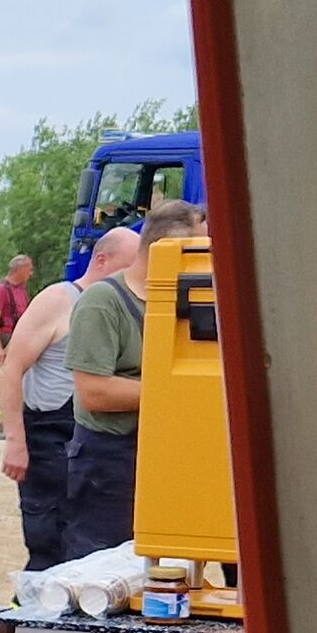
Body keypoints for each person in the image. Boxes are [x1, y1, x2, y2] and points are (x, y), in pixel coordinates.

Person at [60, 201, 200, 559]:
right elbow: (95, 392)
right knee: (100, 571)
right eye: (198, 249)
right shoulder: (103, 302)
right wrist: (177, 391)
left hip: (165, 455)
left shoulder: (185, 302)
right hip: (107, 464)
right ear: (167, 250)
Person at [0, 253, 84, 573]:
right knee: (48, 538)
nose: (31, 272)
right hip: (46, 424)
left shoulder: (27, 292)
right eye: (28, 268)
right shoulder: (9, 291)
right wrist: (15, 439)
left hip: (75, 430)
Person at [0, 253, 35, 350]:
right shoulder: (1, 289)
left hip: (21, 334)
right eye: (29, 270)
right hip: (7, 336)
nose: (31, 274)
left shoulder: (22, 289)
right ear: (21, 269)